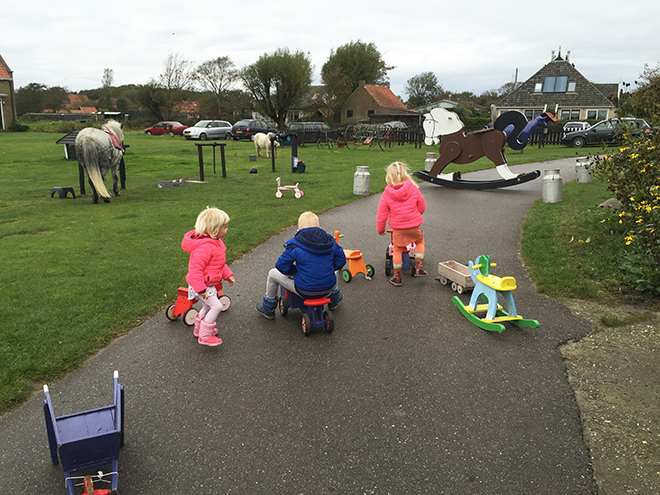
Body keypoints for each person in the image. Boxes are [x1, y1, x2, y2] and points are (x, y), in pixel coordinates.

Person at [256, 211, 346, 319]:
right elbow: (341, 260)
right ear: (319, 228)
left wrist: (294, 271)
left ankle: (268, 308)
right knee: (333, 271)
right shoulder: (330, 241)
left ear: (298, 230)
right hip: (327, 288)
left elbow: (281, 265)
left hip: (304, 290)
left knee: (272, 274)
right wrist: (328, 268)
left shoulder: (295, 244)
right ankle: (335, 299)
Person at [182, 207, 235, 346]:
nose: (227, 229)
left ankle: (199, 329)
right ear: (214, 231)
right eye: (225, 227)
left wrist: (227, 275)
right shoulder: (204, 248)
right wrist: (200, 289)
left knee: (207, 307)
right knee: (216, 306)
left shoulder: (216, 243)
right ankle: (205, 336)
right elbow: (195, 270)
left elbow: (219, 264)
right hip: (200, 285)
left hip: (206, 285)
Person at [376, 161, 427, 286]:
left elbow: (382, 215)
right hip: (414, 225)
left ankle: (397, 276)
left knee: (397, 249)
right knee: (419, 242)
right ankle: (419, 268)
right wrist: (416, 215)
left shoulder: (387, 194)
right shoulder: (413, 188)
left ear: (389, 176)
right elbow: (422, 205)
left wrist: (380, 229)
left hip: (398, 228)